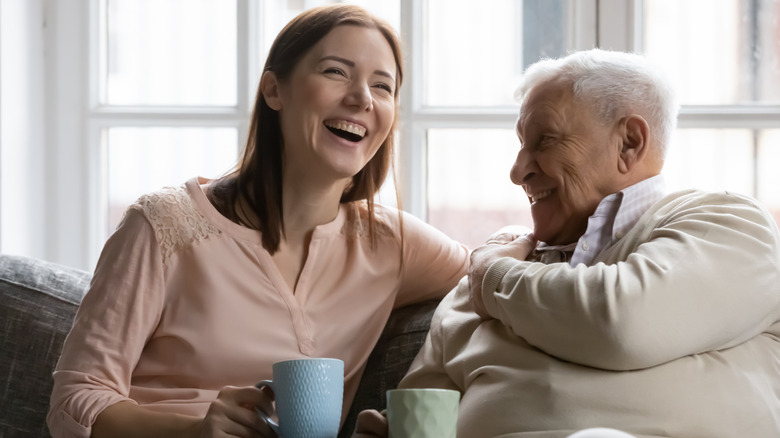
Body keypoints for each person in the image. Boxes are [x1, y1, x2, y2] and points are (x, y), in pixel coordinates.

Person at [47, 5, 469, 438]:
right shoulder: (161, 226)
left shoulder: (391, 244)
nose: (362, 97)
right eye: (335, 72)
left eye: (383, 86)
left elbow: (496, 272)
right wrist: (194, 431)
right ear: (274, 90)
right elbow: (75, 400)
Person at [353, 49, 780, 437]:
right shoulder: (483, 281)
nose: (518, 172)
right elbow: (423, 407)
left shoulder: (730, 224)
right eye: (522, 146)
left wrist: (493, 277)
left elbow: (622, 324)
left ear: (629, 143)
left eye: (545, 141)